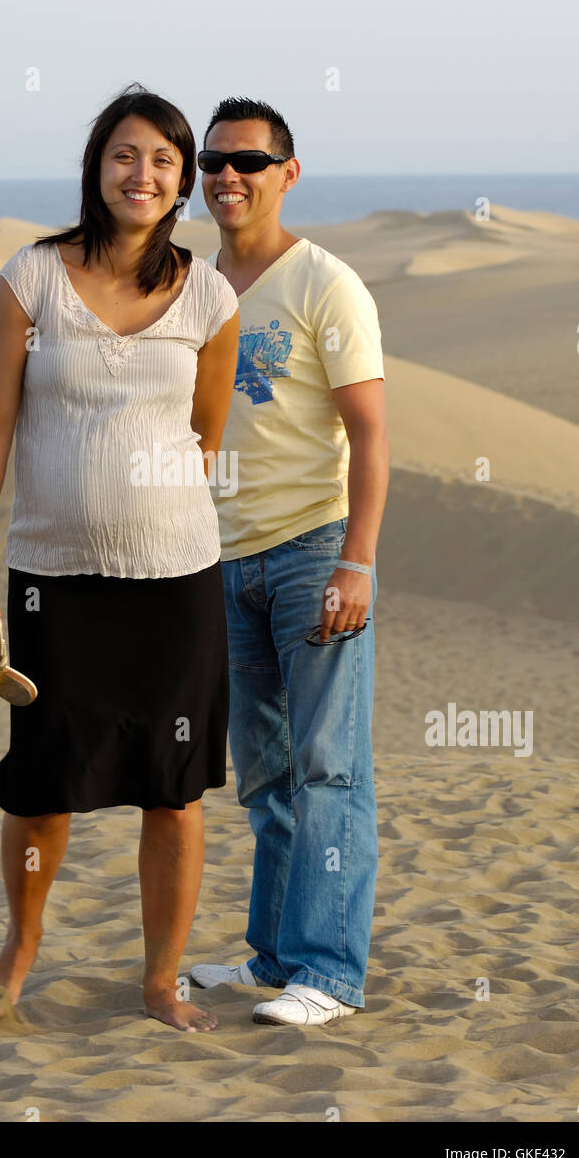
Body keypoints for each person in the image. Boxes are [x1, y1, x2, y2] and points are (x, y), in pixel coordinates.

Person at [0, 84, 239, 1033]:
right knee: (43, 785)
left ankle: (160, 979)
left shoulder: (209, 293)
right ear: (95, 168)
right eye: (123, 154)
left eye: (161, 159)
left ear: (180, 180)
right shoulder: (28, 278)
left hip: (177, 579)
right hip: (49, 580)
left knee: (174, 788)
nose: (140, 173)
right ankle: (18, 951)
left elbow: (205, 434)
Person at [189, 97, 389, 1026]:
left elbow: (371, 433)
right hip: (220, 564)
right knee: (264, 777)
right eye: (213, 161)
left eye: (249, 162)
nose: (228, 176)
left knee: (328, 770)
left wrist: (357, 562)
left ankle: (329, 974)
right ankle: (270, 960)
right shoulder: (192, 285)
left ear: (286, 173)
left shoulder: (325, 284)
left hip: (313, 551)